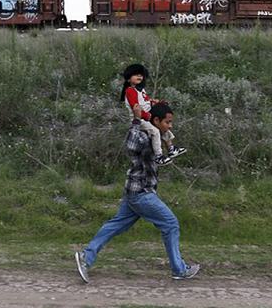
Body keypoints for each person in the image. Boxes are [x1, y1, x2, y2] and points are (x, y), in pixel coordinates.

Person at [74, 102, 200, 283]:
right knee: (170, 223)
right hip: (141, 193)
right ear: (156, 121)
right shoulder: (141, 135)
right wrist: (136, 119)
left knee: (116, 225)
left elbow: (166, 146)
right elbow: (131, 144)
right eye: (168, 122)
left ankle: (86, 257)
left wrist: (157, 105)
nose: (170, 125)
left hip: (135, 191)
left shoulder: (155, 135)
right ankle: (179, 270)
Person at [120, 63, 186, 166]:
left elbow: (145, 102)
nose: (139, 77)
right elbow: (136, 107)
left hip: (148, 115)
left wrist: (153, 103)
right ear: (129, 79)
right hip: (140, 118)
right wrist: (146, 115)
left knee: (163, 127)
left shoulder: (140, 90)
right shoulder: (130, 91)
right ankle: (158, 156)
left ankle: (171, 148)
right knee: (155, 131)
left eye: (141, 75)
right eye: (136, 75)